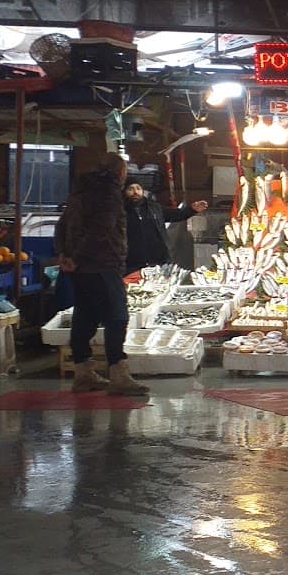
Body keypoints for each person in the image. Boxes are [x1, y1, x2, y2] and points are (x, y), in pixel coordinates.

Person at [55, 154, 148, 396]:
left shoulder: (80, 192)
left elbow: (61, 225)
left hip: (79, 268)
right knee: (117, 317)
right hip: (102, 264)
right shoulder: (108, 193)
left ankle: (83, 373)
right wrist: (76, 256)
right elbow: (101, 230)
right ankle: (118, 374)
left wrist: (64, 254)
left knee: (85, 316)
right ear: (120, 172)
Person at [124, 183, 208, 273]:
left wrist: (192, 210)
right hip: (132, 262)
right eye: (131, 189)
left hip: (158, 260)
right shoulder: (120, 211)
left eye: (138, 188)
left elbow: (176, 214)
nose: (135, 192)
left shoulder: (154, 208)